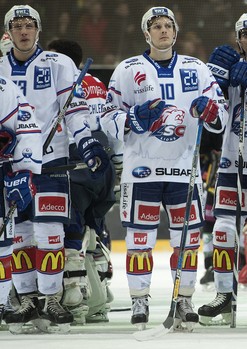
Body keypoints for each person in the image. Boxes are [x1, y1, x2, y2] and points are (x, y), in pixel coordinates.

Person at [100, 6, 227, 331]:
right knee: (138, 239)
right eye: (156, 26)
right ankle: (140, 301)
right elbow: (106, 116)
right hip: (141, 170)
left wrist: (210, 109)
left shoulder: (196, 69)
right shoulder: (128, 69)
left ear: (176, 30)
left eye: (168, 25)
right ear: (146, 33)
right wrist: (130, 119)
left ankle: (183, 300)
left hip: (184, 170)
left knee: (187, 241)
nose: (163, 30)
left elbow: (221, 119)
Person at [0, 5, 110, 334]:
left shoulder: (58, 63)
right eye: (17, 26)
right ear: (9, 30)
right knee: (19, 236)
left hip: (52, 162)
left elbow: (73, 110)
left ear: (38, 29)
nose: (23, 31)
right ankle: (29, 298)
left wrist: (87, 143)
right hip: (10, 164)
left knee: (51, 233)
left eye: (29, 25)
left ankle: (51, 298)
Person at [197, 12, 247, 326]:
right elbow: (213, 120)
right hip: (232, 165)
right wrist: (215, 79)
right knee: (224, 228)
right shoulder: (226, 73)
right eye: (245, 34)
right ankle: (225, 293)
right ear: (238, 40)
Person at [46, 38, 117, 325]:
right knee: (93, 231)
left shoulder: (54, 83)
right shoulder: (96, 82)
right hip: (103, 163)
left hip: (74, 162)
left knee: (68, 233)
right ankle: (100, 298)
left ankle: (75, 296)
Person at [0, 76, 42, 324]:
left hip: (1, 170)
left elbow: (26, 128)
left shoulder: (4, 88)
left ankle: (2, 301)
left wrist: (23, 171)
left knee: (3, 244)